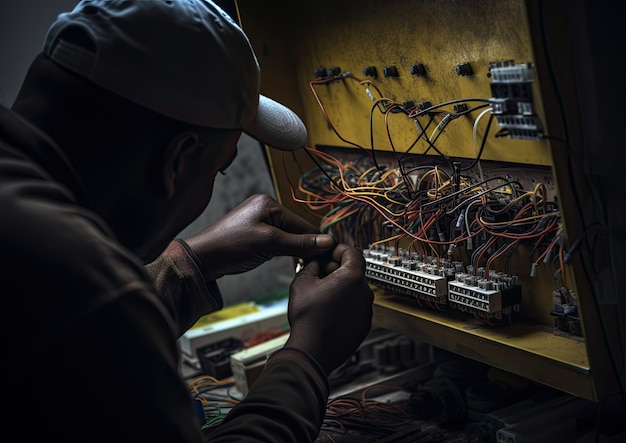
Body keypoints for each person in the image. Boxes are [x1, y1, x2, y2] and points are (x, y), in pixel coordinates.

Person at [0, 0, 374, 441]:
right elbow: (92, 314)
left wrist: (191, 264)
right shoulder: (84, 285)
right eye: (221, 168)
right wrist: (308, 353)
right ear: (177, 160)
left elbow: (63, 338)